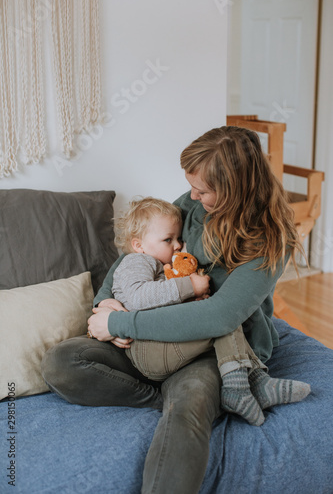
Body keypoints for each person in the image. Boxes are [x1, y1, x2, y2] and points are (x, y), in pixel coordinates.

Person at [42, 126, 311, 494]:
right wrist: (106, 303)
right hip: (154, 334)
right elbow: (139, 251)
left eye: (203, 190)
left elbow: (220, 317)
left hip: (213, 349)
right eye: (192, 187)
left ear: (235, 188)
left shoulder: (269, 239)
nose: (193, 196)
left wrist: (124, 322)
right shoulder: (193, 204)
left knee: (187, 413)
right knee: (62, 362)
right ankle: (161, 394)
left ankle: (186, 395)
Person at [97, 195, 271, 426]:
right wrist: (189, 286)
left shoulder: (158, 264)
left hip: (159, 342)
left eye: (178, 238)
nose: (178, 245)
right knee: (223, 320)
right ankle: (250, 383)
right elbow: (138, 298)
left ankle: (251, 381)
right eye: (168, 239)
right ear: (138, 245)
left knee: (222, 316)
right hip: (147, 349)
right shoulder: (138, 262)